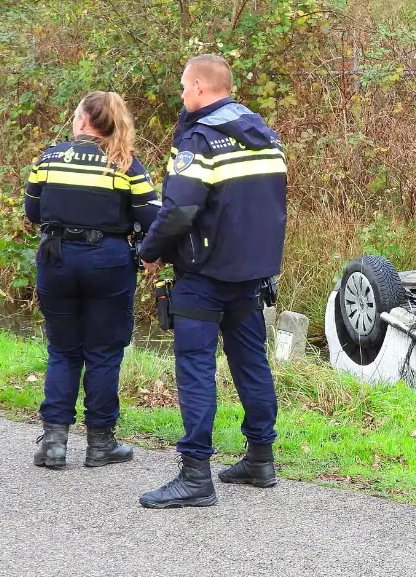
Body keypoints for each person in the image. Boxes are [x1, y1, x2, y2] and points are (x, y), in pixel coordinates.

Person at [137, 54, 287, 508]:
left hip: (203, 274)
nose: (182, 97)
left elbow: (178, 210)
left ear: (200, 88)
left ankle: (195, 476)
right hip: (251, 273)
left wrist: (150, 253)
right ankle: (260, 458)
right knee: (250, 364)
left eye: (184, 88)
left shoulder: (199, 142)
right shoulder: (268, 139)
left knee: (196, 368)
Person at [25, 91, 160, 469]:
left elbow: (33, 211)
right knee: (103, 352)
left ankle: (53, 442)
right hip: (108, 263)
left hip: (57, 259)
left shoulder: (48, 159)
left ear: (83, 120)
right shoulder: (128, 165)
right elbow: (154, 221)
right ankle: (101, 443)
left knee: (63, 350)